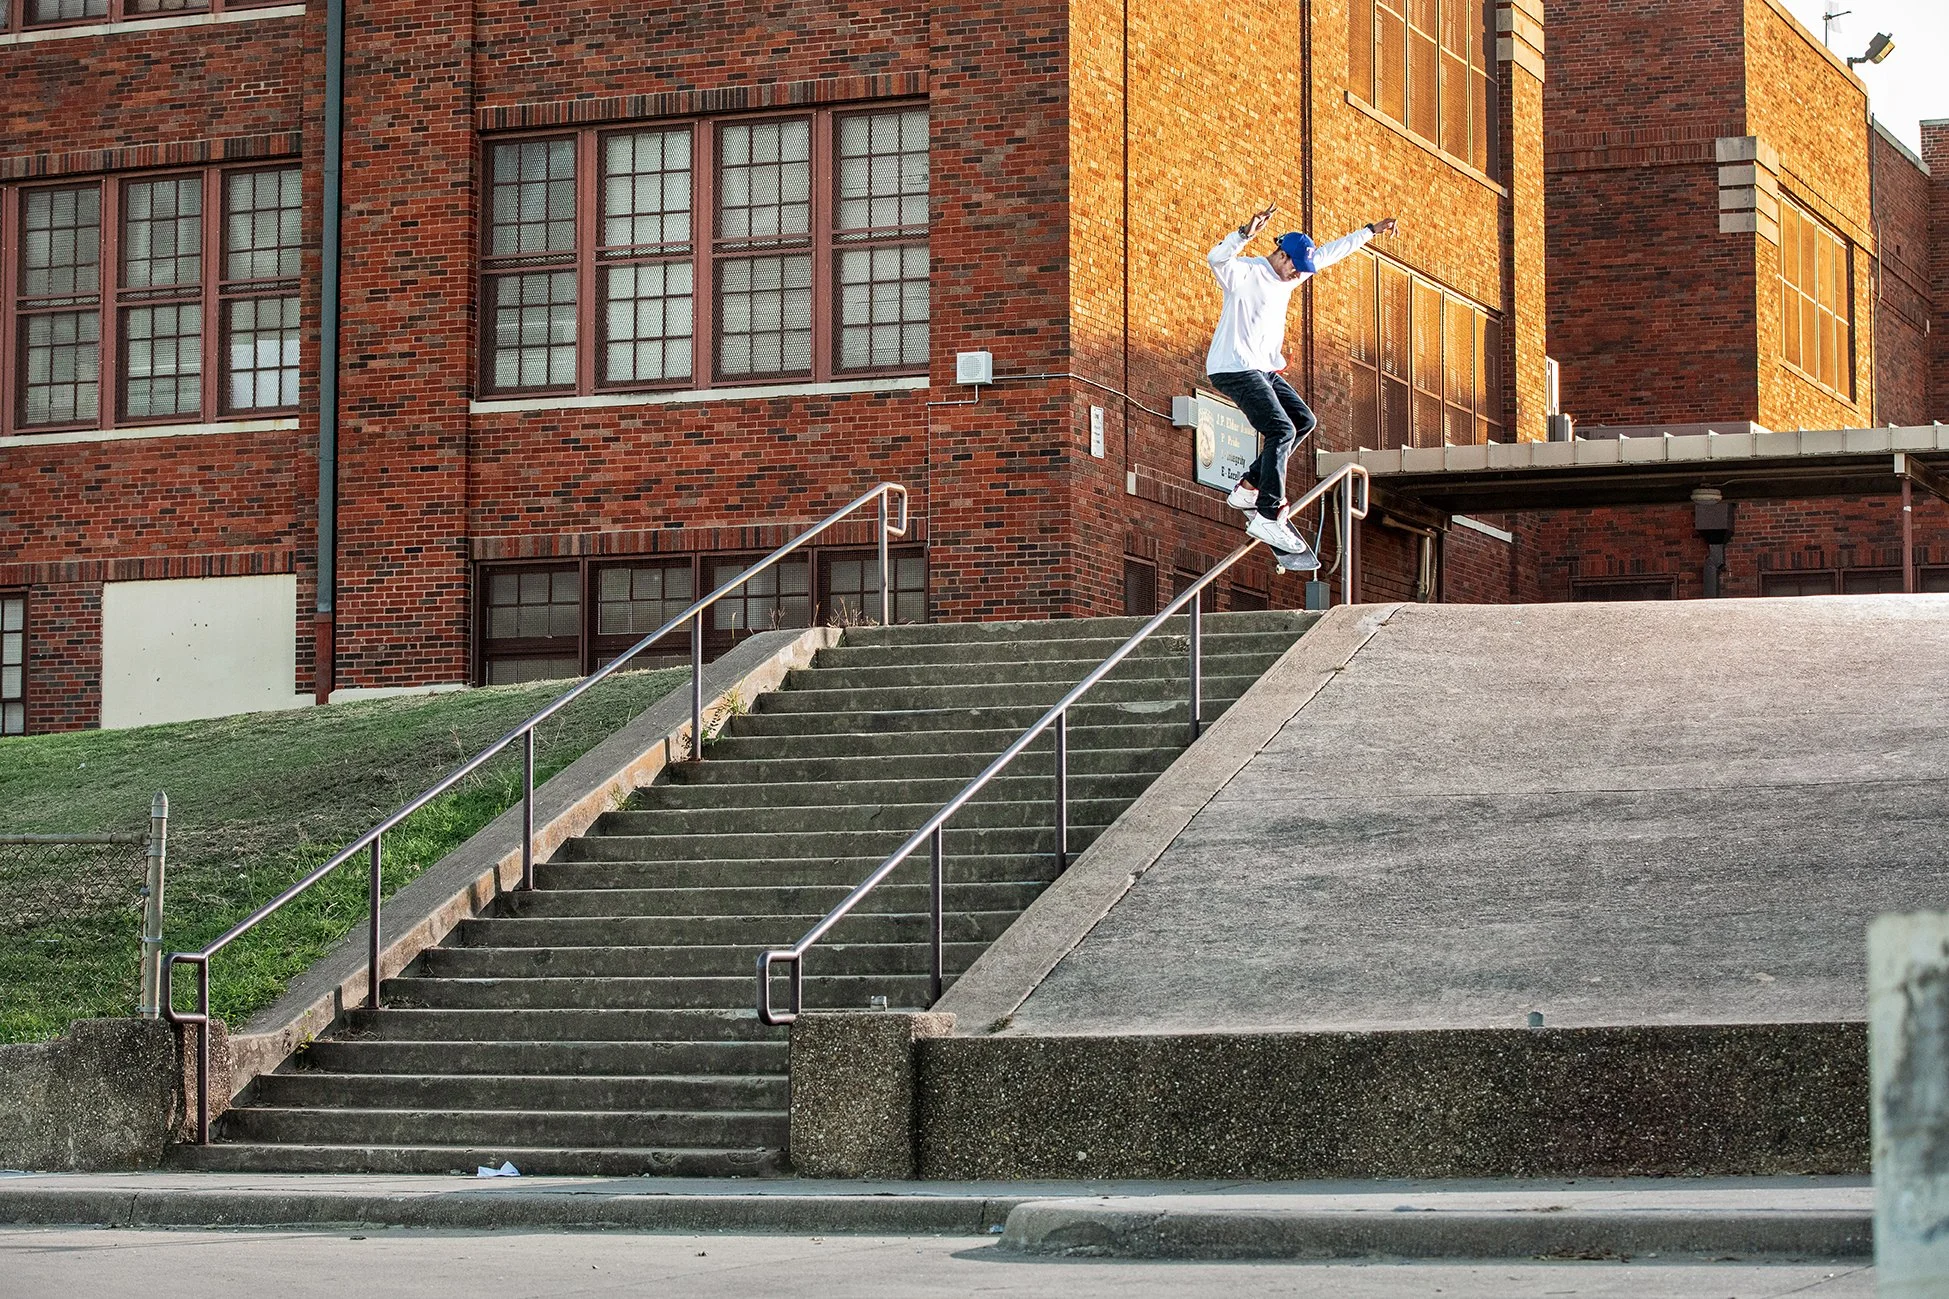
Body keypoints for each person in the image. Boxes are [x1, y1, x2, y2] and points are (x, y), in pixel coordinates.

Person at [1205, 204, 1398, 568]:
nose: (1295, 274)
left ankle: (1249, 487)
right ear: (1279, 254)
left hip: (1262, 370)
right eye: (1292, 264)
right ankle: (1267, 512)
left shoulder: (1293, 275)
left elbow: (1329, 254)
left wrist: (1371, 230)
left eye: (1299, 269)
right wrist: (1245, 234)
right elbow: (1216, 258)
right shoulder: (1245, 272)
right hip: (1234, 368)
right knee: (1280, 428)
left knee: (1303, 420)